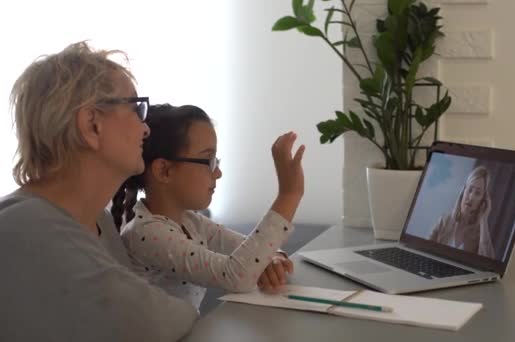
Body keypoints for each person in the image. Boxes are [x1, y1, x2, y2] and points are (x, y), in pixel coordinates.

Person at [0, 42, 199, 341]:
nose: (146, 129)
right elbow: (156, 323)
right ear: (92, 125)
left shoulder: (99, 222)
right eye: (135, 109)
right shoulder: (25, 225)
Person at [111, 103, 305, 309]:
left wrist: (274, 258)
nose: (218, 173)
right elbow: (235, 276)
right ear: (164, 171)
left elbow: (249, 249)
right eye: (208, 161)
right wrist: (289, 195)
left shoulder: (190, 220)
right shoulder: (146, 233)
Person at [429, 166, 496, 258]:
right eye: (470, 190)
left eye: (477, 193)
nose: (471, 197)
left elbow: (489, 262)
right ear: (463, 191)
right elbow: (424, 250)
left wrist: (484, 219)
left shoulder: (480, 234)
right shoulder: (444, 221)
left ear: (482, 201)